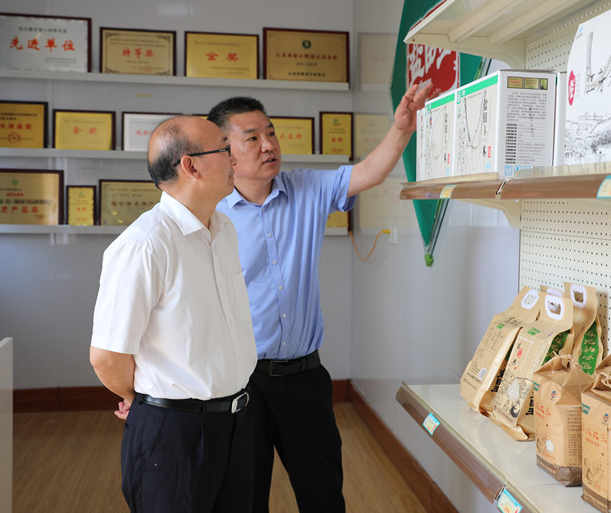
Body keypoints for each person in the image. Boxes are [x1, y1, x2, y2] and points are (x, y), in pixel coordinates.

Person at [207, 83, 432, 513]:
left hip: (303, 378)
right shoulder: (210, 215)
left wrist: (402, 128)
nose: (268, 145)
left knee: (323, 495)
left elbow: (370, 172)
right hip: (240, 382)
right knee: (245, 498)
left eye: (270, 133)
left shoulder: (307, 188)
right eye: (252, 138)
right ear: (226, 153)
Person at [89, 115, 257, 513]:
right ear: (191, 166)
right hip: (174, 432)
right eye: (225, 148)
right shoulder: (144, 244)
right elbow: (107, 356)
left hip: (237, 421)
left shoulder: (224, 230)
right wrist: (142, 399)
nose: (235, 158)